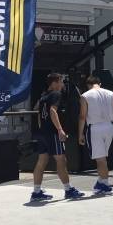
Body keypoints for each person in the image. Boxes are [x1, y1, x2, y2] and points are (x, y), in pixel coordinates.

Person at [30, 73, 84, 201]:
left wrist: (42, 128)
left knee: (41, 161)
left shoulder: (43, 96)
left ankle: (36, 192)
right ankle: (68, 189)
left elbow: (38, 113)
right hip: (52, 133)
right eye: (61, 81)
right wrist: (60, 130)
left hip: (42, 133)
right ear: (54, 83)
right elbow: (53, 111)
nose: (63, 84)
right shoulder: (56, 94)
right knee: (61, 160)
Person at [78, 75, 113, 195]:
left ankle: (105, 184)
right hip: (109, 126)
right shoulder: (110, 93)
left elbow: (82, 116)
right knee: (103, 157)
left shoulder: (85, 96)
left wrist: (80, 134)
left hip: (95, 127)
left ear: (88, 85)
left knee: (100, 159)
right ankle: (101, 182)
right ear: (99, 83)